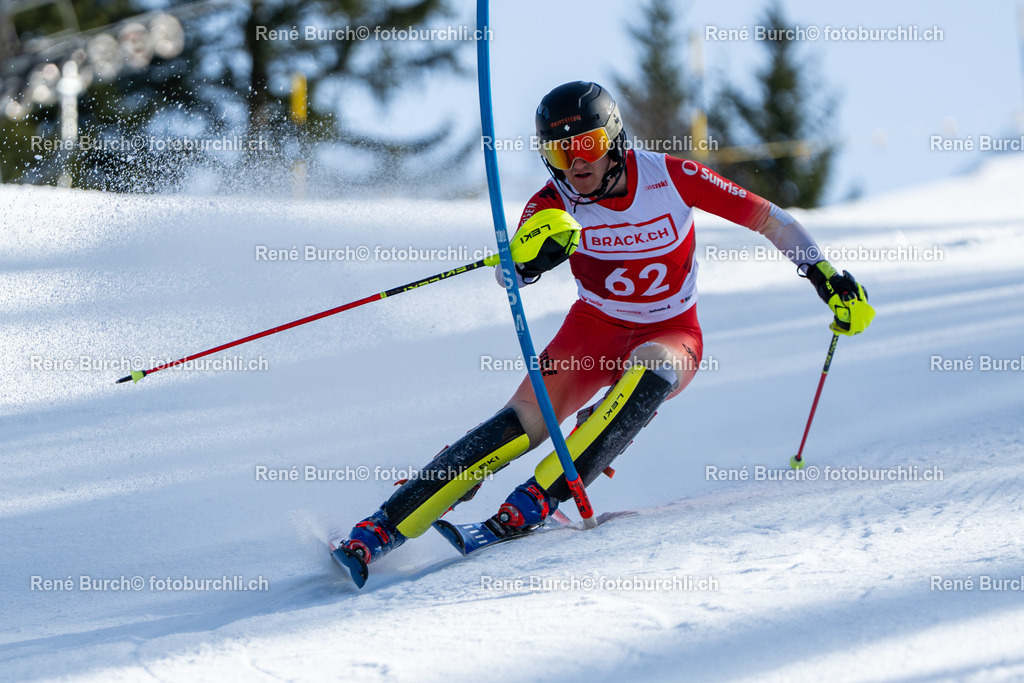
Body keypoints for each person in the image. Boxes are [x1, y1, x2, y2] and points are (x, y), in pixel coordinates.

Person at [330, 81, 874, 582]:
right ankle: (381, 528)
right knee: (520, 425)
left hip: (672, 329)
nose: (576, 163)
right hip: (592, 331)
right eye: (561, 152)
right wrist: (527, 262)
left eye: (587, 145)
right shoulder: (553, 202)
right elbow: (507, 268)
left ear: (613, 140)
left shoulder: (669, 176)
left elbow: (768, 218)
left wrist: (825, 276)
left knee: (653, 368)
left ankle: (532, 505)